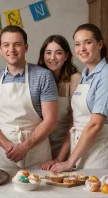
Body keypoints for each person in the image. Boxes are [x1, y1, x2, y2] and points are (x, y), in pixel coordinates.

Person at [0, 25, 58, 169]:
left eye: (17, 44)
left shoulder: (43, 76)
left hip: (37, 152)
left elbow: (51, 121)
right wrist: (8, 146)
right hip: (4, 153)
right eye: (6, 45)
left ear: (26, 47)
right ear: (0, 49)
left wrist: (25, 146)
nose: (11, 49)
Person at [50, 24, 108, 173]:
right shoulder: (85, 74)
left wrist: (70, 162)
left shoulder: (107, 75)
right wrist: (61, 158)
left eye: (87, 42)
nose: (82, 48)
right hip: (78, 151)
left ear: (100, 44)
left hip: (98, 152)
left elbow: (95, 124)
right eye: (77, 44)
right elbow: (74, 122)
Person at [37, 35, 81, 170]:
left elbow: (73, 123)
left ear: (66, 56)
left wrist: (60, 158)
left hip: (65, 146)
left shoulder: (75, 80)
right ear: (43, 55)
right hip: (40, 147)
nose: (53, 58)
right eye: (48, 52)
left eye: (59, 53)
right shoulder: (36, 78)